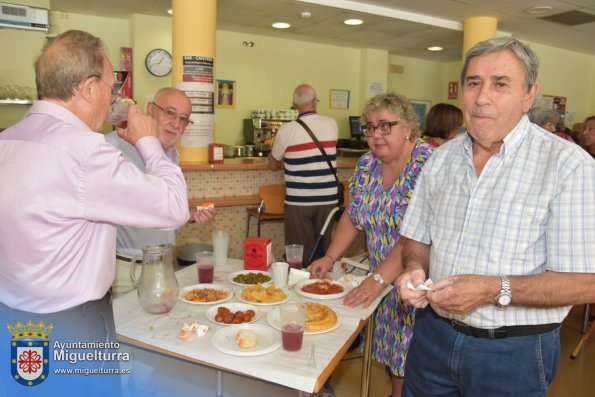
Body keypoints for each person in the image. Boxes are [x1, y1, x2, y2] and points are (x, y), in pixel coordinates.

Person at [396, 37, 595, 396]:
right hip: (432, 337)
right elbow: (416, 239)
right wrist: (414, 268)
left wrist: (492, 290)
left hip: (512, 352)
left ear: (529, 95)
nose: (482, 97)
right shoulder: (440, 160)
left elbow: (586, 281)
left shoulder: (568, 165)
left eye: (500, 84)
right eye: (474, 83)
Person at [0, 30, 189, 396]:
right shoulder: (85, 151)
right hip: (74, 326)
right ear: (88, 88)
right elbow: (173, 206)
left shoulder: (6, 141)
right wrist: (147, 140)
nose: (113, 97)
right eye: (110, 86)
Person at [308, 93, 433, 397]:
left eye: (385, 126)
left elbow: (414, 234)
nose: (376, 135)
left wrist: (379, 279)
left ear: (408, 128)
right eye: (370, 127)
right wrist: (331, 256)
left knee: (411, 354)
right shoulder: (366, 165)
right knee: (393, 353)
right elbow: (354, 214)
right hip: (381, 273)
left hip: (419, 278)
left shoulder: (428, 164)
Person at [106, 87, 216, 297]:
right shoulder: (114, 146)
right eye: (169, 112)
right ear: (150, 110)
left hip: (162, 268)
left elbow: (159, 208)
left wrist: (190, 214)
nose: (176, 124)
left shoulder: (173, 155)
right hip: (124, 271)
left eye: (184, 118)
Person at [268, 84, 338, 265]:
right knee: (327, 250)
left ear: (294, 105)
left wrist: (289, 159)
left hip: (299, 200)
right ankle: (326, 287)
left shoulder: (286, 130)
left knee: (299, 252)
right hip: (328, 199)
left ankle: (301, 284)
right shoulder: (331, 124)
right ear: (315, 102)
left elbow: (272, 163)